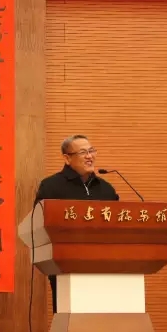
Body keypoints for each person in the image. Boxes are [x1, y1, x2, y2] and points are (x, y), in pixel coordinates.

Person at [33, 134, 119, 313]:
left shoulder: (106, 189)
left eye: (91, 151)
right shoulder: (51, 186)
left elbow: (117, 225)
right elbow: (39, 224)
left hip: (103, 266)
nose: (90, 156)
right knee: (69, 320)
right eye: (83, 152)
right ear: (67, 158)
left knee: (100, 320)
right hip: (64, 267)